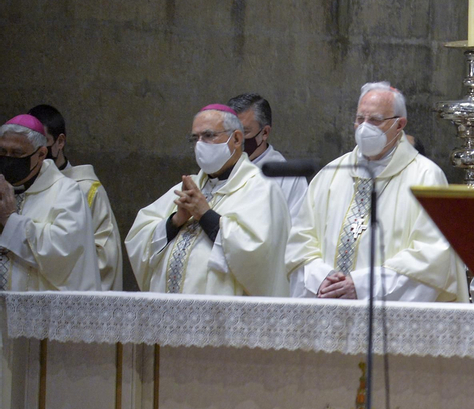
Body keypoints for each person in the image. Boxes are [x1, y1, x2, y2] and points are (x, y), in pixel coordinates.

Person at [286, 82, 468, 302]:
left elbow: (432, 256)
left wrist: (362, 286)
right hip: (327, 305)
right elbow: (301, 241)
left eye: (375, 120)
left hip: (388, 318)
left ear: (399, 124)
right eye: (360, 119)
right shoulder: (331, 173)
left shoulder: (426, 178)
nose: (364, 127)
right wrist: (322, 279)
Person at [124, 104, 290, 296]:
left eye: (209, 136)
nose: (200, 144)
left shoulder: (261, 189)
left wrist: (206, 215)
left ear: (236, 139)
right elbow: (138, 238)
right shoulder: (185, 188)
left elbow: (261, 257)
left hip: (223, 319)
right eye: (195, 138)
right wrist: (175, 221)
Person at [0, 114, 98, 292]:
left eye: (16, 153)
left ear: (41, 154)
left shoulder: (67, 193)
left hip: (36, 312)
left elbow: (63, 253)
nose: (8, 159)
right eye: (3, 152)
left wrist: (10, 220)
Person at [30, 104, 123, 291]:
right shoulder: (20, 189)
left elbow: (105, 257)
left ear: (60, 142)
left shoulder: (87, 189)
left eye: (43, 142)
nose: (38, 152)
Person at [229, 93, 308, 221]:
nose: (236, 139)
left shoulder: (288, 177)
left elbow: (296, 229)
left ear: (265, 132)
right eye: (229, 132)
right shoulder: (217, 168)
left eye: (244, 132)